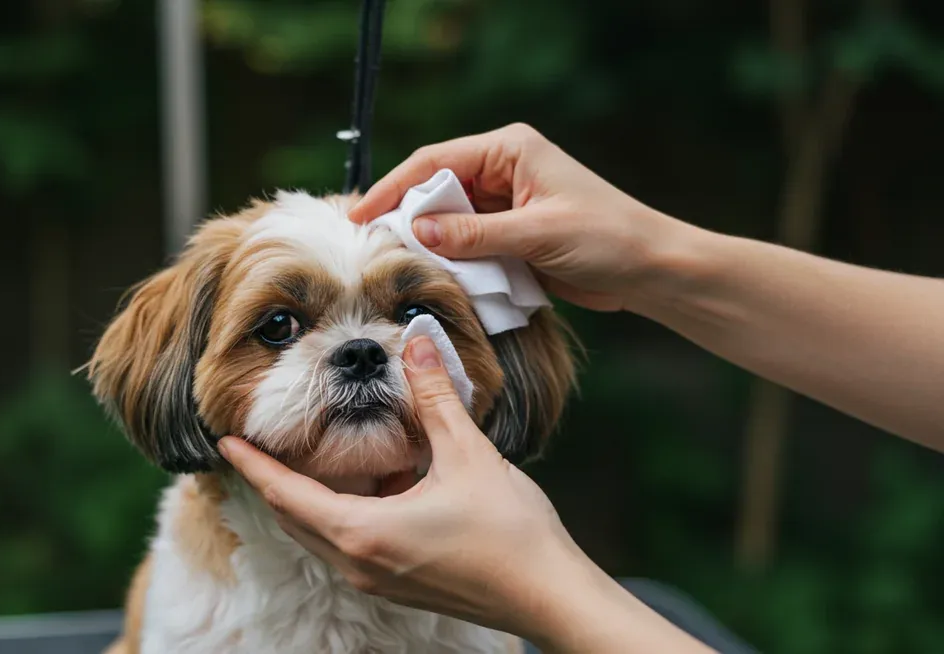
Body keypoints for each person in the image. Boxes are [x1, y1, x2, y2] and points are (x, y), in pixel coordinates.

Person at [214, 123, 944, 653]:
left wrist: (536, 588)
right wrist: (655, 261)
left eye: (414, 317)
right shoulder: (195, 622)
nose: (364, 355)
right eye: (279, 327)